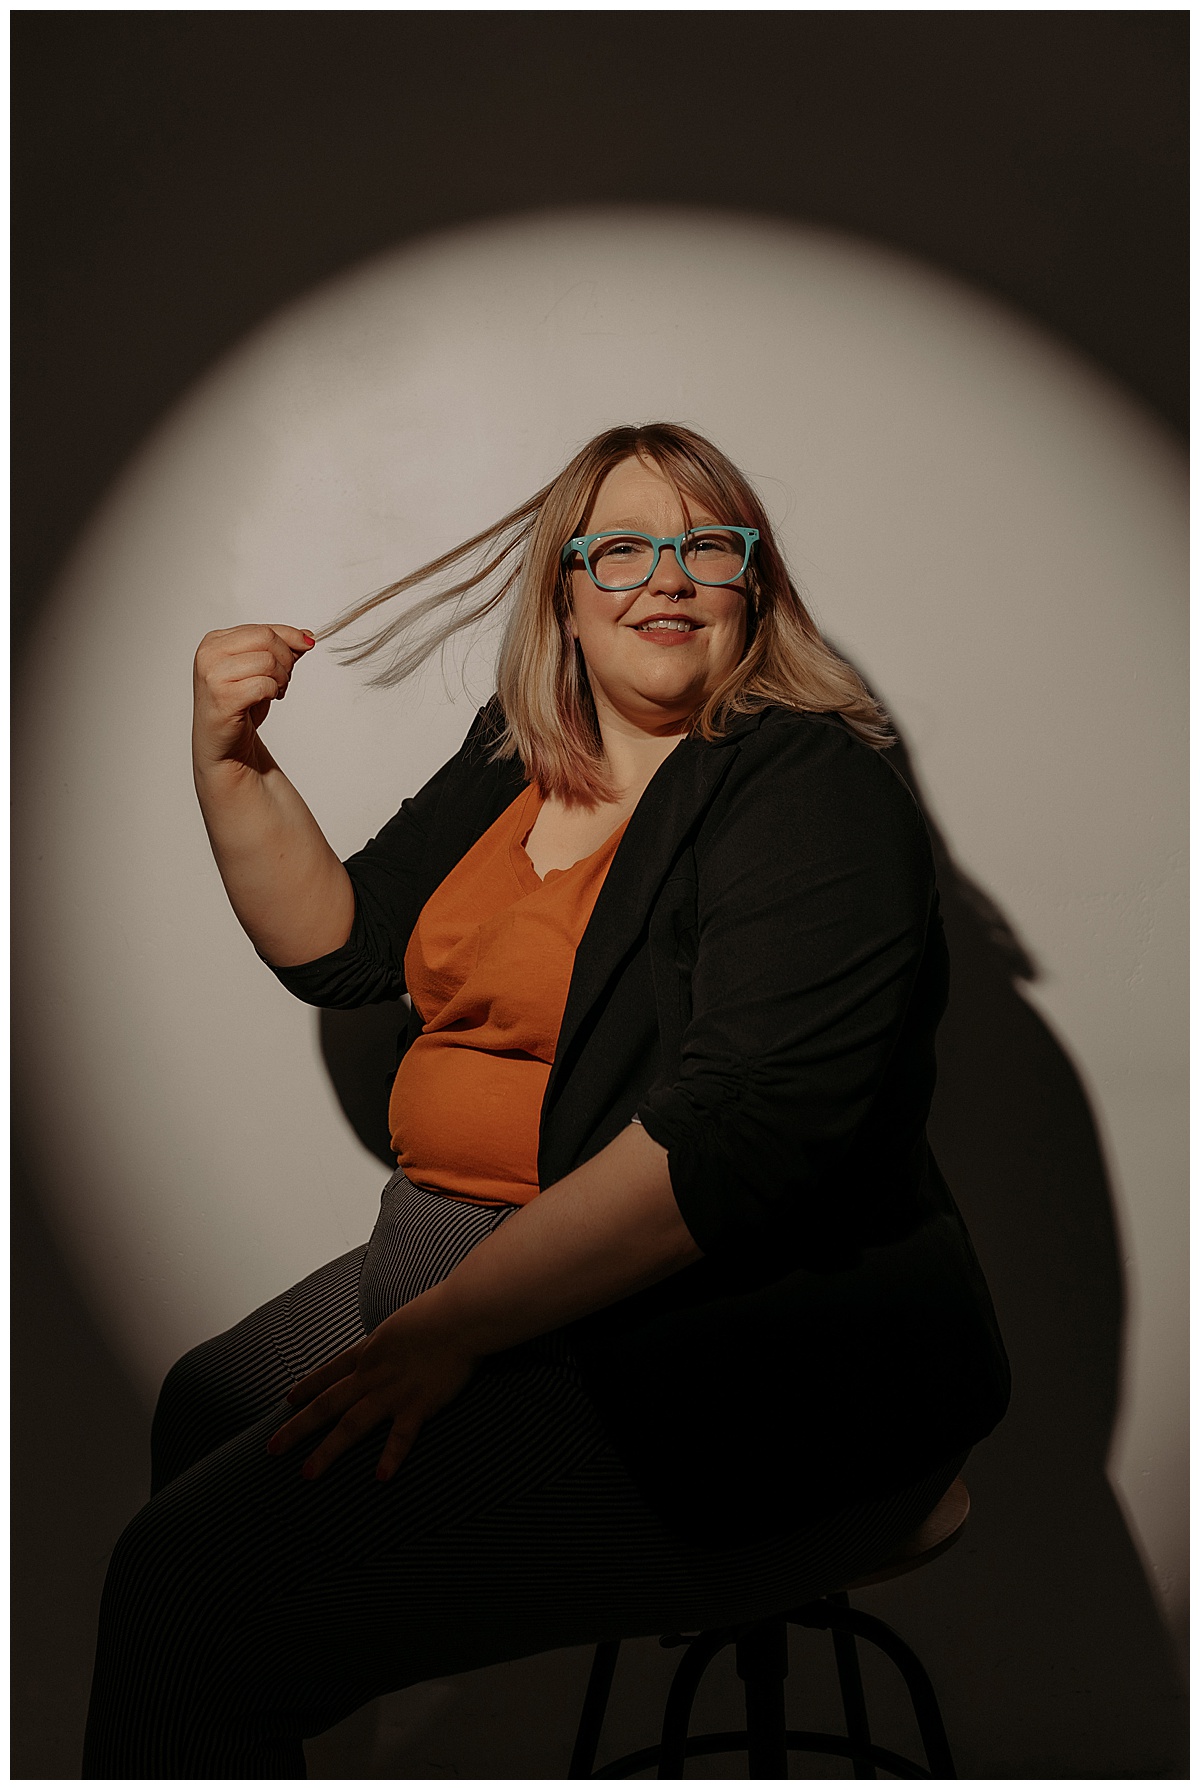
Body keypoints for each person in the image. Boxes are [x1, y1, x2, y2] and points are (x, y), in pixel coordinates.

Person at [83, 422, 1009, 1778]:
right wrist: (227, 759)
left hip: (687, 1342)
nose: (669, 578)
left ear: (753, 586)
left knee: (181, 1577)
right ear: (565, 594)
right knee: (205, 1404)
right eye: (622, 548)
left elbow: (733, 1139)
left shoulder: (808, 787)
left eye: (709, 546)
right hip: (449, 1273)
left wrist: (452, 1330)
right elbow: (342, 942)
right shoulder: (518, 756)